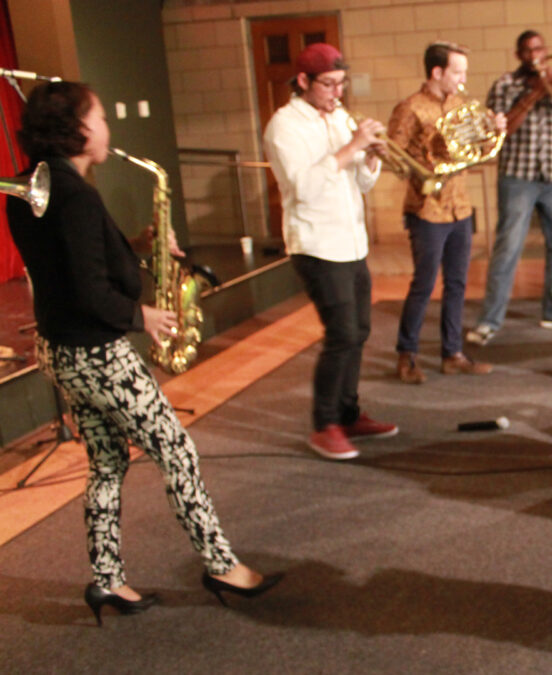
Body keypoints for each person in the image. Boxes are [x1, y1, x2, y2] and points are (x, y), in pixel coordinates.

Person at [6, 81, 282, 625]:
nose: (108, 127)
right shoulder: (78, 196)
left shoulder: (33, 188)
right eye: (101, 117)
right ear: (79, 129)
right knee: (177, 452)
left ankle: (107, 580)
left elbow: (73, 261)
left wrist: (138, 243)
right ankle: (221, 565)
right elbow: (90, 290)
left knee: (107, 464)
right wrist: (142, 316)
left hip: (60, 351)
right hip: (98, 355)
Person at [263, 43, 397, 460]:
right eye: (329, 84)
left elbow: (361, 184)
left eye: (342, 83)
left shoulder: (339, 117)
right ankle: (324, 425)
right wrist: (352, 146)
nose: (338, 93)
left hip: (351, 241)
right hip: (317, 245)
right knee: (341, 334)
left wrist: (371, 157)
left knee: (359, 331)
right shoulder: (284, 126)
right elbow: (303, 187)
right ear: (303, 81)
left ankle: (347, 414)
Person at [387, 42, 504, 384]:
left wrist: (494, 132)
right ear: (437, 72)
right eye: (458, 72)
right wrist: (427, 161)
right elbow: (393, 157)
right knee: (424, 284)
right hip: (427, 208)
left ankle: (452, 354)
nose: (463, 79)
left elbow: (479, 150)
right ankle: (406, 355)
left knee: (457, 283)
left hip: (459, 206)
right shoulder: (410, 108)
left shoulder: (461, 106)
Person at [466, 30, 552, 346]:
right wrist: (533, 94)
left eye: (539, 48)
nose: (535, 55)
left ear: (546, 50)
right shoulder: (505, 85)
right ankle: (489, 320)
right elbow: (500, 131)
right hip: (517, 178)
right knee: (508, 248)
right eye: (528, 50)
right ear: (518, 55)